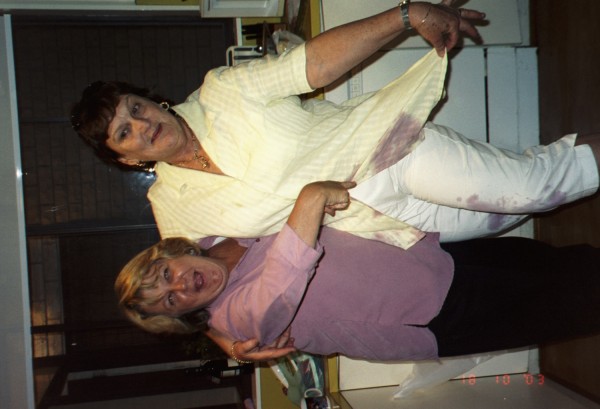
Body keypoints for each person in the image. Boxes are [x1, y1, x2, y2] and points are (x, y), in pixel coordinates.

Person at [70, 1, 600, 245]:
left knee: (534, 187)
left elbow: (315, 65)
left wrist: (405, 15)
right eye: (124, 133)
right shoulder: (172, 211)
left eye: (135, 108)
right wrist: (225, 335)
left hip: (389, 151)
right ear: (126, 159)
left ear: (152, 100)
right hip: (374, 224)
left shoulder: (221, 92)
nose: (141, 124)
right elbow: (215, 270)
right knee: (507, 214)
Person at [116, 180, 600, 363]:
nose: (181, 285)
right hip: (430, 314)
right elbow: (279, 288)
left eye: (165, 275)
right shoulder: (235, 320)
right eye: (171, 301)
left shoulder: (223, 235)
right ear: (182, 316)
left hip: (432, 257)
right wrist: (310, 199)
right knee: (574, 303)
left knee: (559, 262)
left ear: (168, 253)